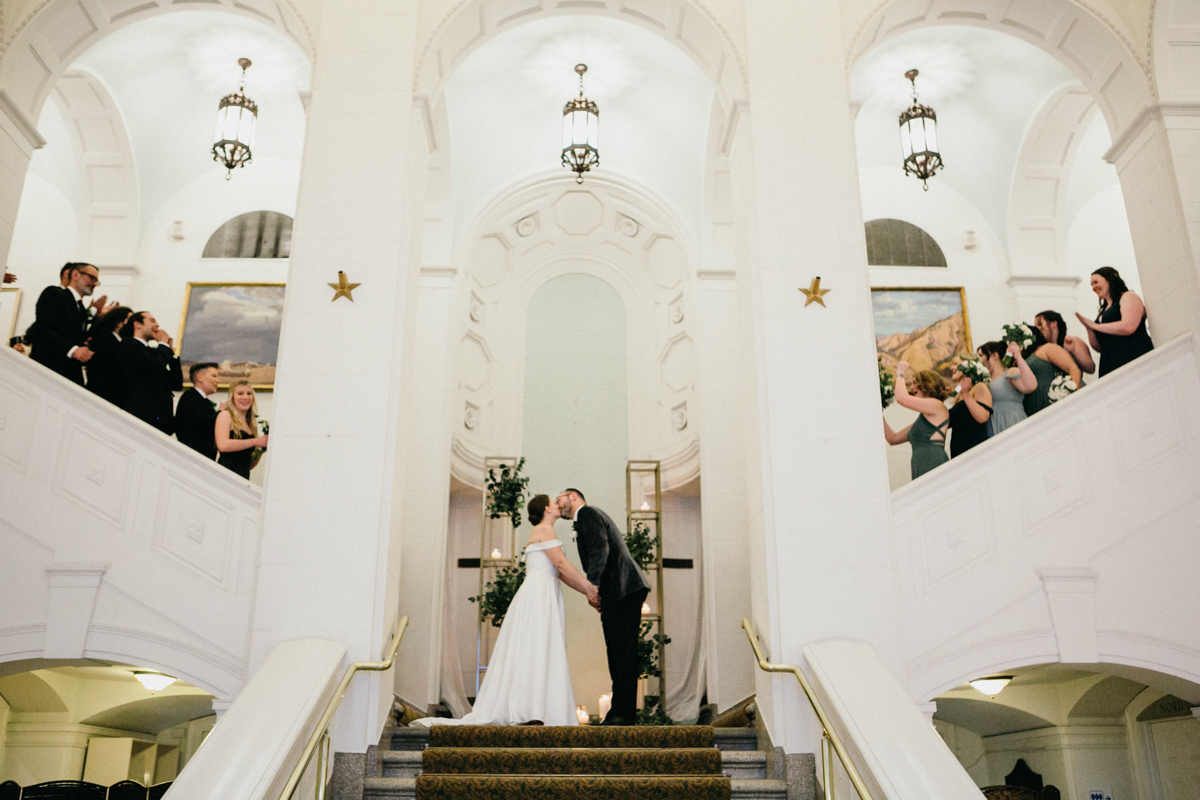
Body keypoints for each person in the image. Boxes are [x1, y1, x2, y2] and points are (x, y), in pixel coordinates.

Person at [414, 495, 597, 727]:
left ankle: (536, 707)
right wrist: (590, 589)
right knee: (537, 646)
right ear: (546, 509)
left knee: (538, 647)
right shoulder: (544, 529)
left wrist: (586, 591)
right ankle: (529, 708)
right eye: (554, 502)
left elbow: (560, 572)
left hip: (544, 592)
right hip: (539, 595)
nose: (558, 505)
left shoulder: (545, 531)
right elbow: (561, 565)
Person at [557, 488, 651, 726]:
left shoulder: (587, 513)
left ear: (574, 496)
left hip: (622, 589)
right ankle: (621, 711)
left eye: (560, 499)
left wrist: (593, 586)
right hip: (618, 591)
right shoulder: (585, 518)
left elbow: (600, 549)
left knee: (621, 652)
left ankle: (622, 713)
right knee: (619, 652)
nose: (558, 505)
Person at [24, 263, 100, 384]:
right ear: (75, 275)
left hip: (68, 374)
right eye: (92, 278)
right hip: (48, 370)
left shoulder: (81, 308)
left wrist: (85, 346)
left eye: (97, 281)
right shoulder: (55, 294)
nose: (95, 284)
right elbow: (42, 329)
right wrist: (72, 350)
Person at [1074, 266, 1154, 377]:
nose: (1093, 287)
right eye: (1091, 284)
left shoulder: (1128, 297)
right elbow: (1099, 347)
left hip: (1132, 355)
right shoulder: (1103, 311)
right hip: (1110, 364)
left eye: (1096, 282)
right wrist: (1089, 328)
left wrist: (1095, 326)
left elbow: (1129, 326)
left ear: (1109, 279)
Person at [882, 363, 951, 480]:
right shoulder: (924, 418)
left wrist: (900, 370)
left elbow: (901, 398)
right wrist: (879, 411)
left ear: (927, 383)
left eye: (915, 383)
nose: (911, 388)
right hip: (919, 465)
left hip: (933, 462)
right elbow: (893, 438)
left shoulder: (937, 405)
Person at [118, 311, 183, 434]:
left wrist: (171, 354)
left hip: (159, 419)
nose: (157, 325)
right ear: (137, 324)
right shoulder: (129, 345)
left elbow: (176, 383)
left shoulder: (153, 352)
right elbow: (154, 365)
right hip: (142, 415)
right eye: (152, 321)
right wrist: (163, 344)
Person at [1021, 326, 1082, 417]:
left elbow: (1073, 369)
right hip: (1034, 409)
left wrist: (1072, 396)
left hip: (1053, 401)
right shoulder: (1020, 360)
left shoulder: (1047, 348)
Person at [977, 341, 1036, 436]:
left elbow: (1031, 386)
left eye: (981, 355)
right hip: (993, 429)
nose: (979, 360)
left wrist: (1018, 356)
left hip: (1012, 422)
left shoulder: (1009, 373)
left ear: (994, 355)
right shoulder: (983, 381)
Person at [216, 381, 267, 479]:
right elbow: (222, 445)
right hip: (225, 475)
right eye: (240, 394)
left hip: (243, 476)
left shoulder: (251, 422)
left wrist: (261, 449)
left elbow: (249, 464)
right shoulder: (225, 415)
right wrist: (255, 441)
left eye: (249, 393)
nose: (245, 397)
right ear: (232, 397)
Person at [84, 305, 133, 406]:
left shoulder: (122, 342)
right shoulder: (104, 336)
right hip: (102, 390)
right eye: (130, 320)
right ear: (119, 322)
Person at [175, 363, 222, 459]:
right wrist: (220, 413)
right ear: (200, 377)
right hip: (192, 457)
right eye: (214, 376)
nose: (217, 380)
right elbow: (204, 425)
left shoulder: (203, 401)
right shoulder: (190, 398)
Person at [947, 363, 992, 458]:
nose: (952, 367)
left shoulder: (979, 387)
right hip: (959, 449)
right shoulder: (958, 396)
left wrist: (965, 393)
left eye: (957, 364)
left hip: (975, 446)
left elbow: (982, 417)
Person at [1034, 310, 1095, 376]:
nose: (1037, 329)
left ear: (1053, 323)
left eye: (1040, 324)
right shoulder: (1042, 349)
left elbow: (1091, 369)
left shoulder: (1072, 341)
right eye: (1035, 326)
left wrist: (1074, 352)